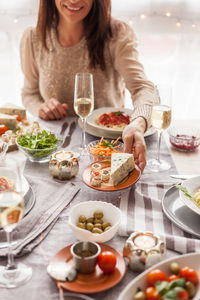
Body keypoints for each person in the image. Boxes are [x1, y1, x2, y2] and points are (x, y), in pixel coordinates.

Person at [20, 0, 155, 172]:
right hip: (54, 152)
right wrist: (41, 107)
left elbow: (142, 87)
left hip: (106, 149)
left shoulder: (116, 33)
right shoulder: (33, 37)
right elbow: (29, 93)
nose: (74, 1)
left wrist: (138, 123)